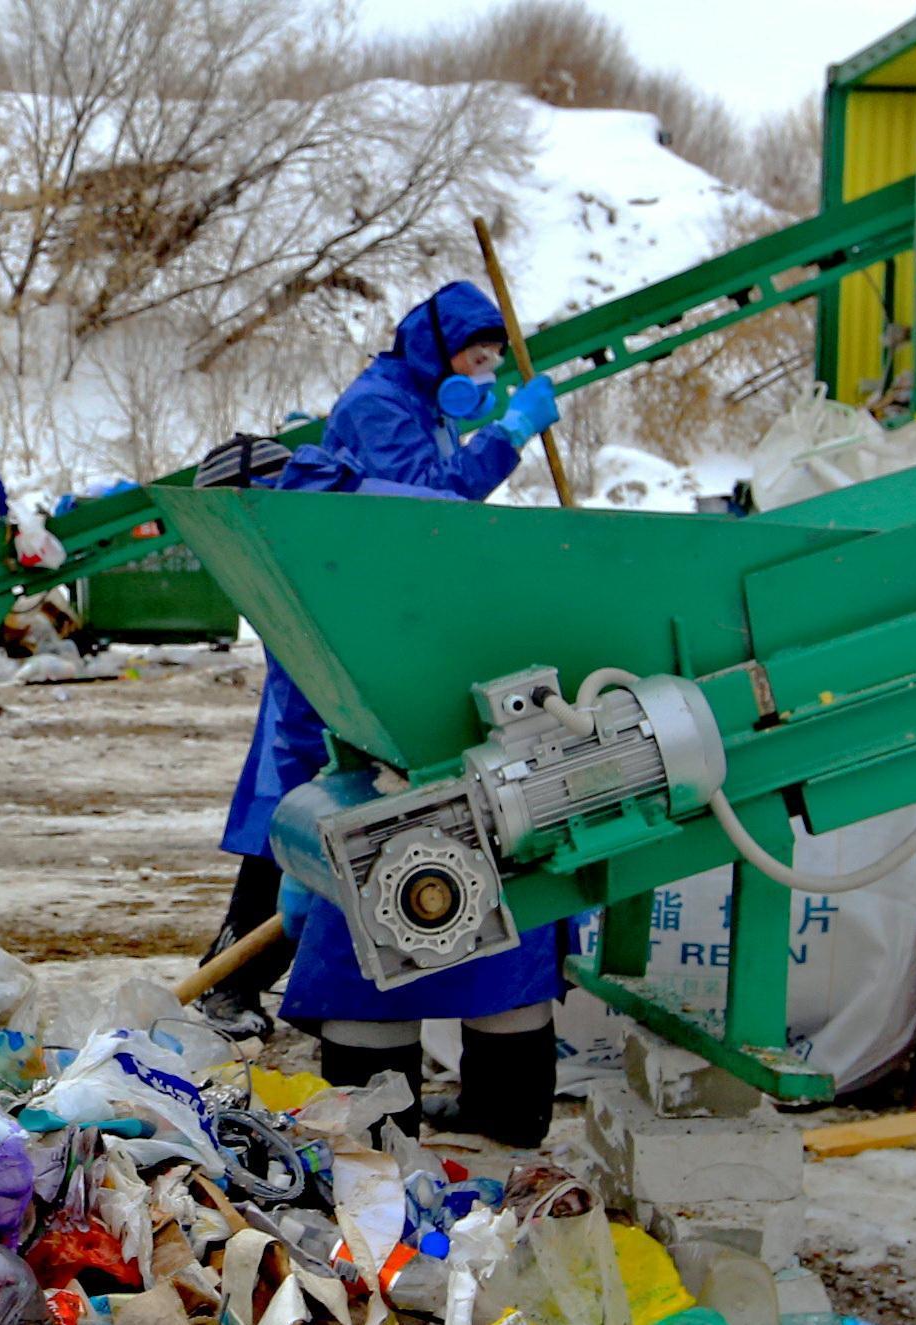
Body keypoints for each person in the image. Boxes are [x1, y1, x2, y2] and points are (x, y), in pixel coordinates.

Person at [197, 279, 564, 1147]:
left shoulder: (318, 533)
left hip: (421, 696)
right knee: (354, 865)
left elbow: (423, 529)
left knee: (367, 895)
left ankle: (417, 1117)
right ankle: (470, 1112)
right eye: (476, 353)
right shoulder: (357, 463)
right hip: (419, 691)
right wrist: (506, 436)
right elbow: (434, 511)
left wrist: (301, 834)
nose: (481, 369)